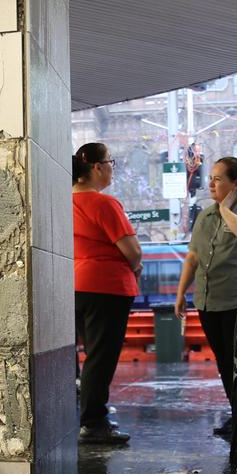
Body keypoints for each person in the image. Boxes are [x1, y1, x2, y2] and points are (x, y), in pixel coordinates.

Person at [73, 142, 143, 445]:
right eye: (110, 161)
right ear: (97, 167)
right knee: (101, 358)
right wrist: (135, 267)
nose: (112, 166)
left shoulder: (62, 201)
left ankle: (90, 417)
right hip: (106, 287)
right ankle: (94, 423)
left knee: (90, 357)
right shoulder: (104, 204)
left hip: (74, 286)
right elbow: (133, 251)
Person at [174, 157, 237, 439]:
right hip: (207, 301)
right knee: (223, 361)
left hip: (236, 301)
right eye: (212, 178)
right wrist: (181, 293)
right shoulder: (205, 216)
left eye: (219, 179)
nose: (212, 184)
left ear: (236, 183)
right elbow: (192, 257)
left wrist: (227, 209)